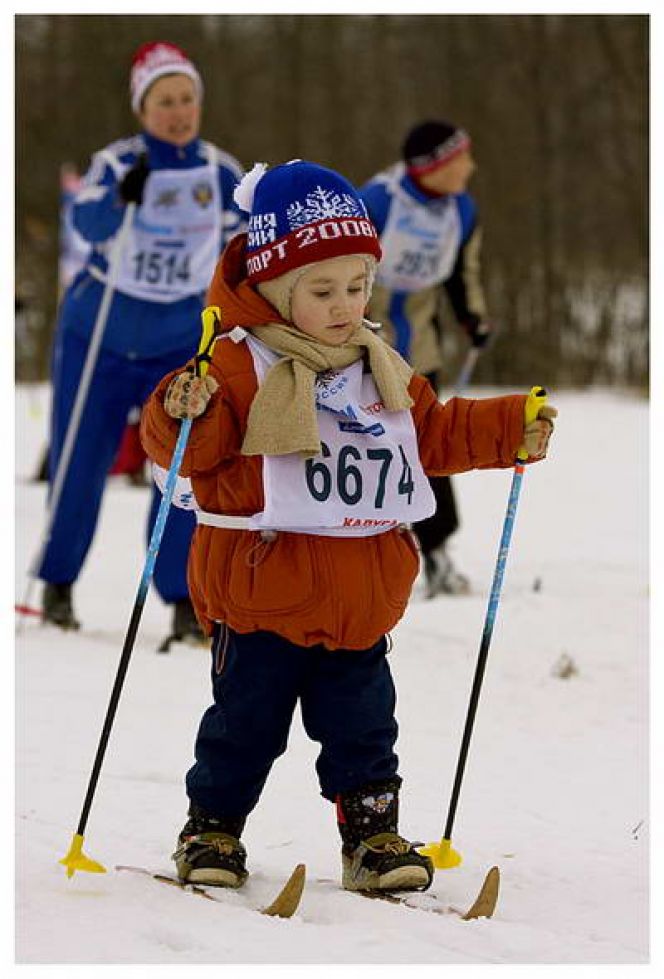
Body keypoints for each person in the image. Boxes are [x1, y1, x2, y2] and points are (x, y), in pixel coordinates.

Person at [140, 160, 556, 893]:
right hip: (261, 595)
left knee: (365, 733)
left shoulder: (379, 365)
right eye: (323, 290)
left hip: (361, 599)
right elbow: (191, 454)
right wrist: (184, 406)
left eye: (357, 286)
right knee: (244, 728)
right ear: (274, 288)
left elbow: (432, 431)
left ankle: (373, 836)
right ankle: (212, 827)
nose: (344, 305)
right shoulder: (238, 364)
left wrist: (507, 427)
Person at [38, 41, 245, 641]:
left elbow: (242, 254)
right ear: (142, 108)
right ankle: (57, 583)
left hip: (176, 340)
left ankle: (182, 598)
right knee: (81, 458)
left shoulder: (219, 171)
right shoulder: (118, 162)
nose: (178, 112)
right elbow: (88, 222)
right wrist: (120, 197)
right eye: (164, 102)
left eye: (186, 99)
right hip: (98, 332)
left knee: (181, 467)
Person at [360, 119, 493, 598]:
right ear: (433, 166)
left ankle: (434, 546)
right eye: (461, 159)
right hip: (365, 346)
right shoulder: (378, 200)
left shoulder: (462, 209)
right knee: (371, 445)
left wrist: (472, 318)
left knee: (429, 443)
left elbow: (462, 271)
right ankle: (365, 543)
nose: (470, 168)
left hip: (421, 349)